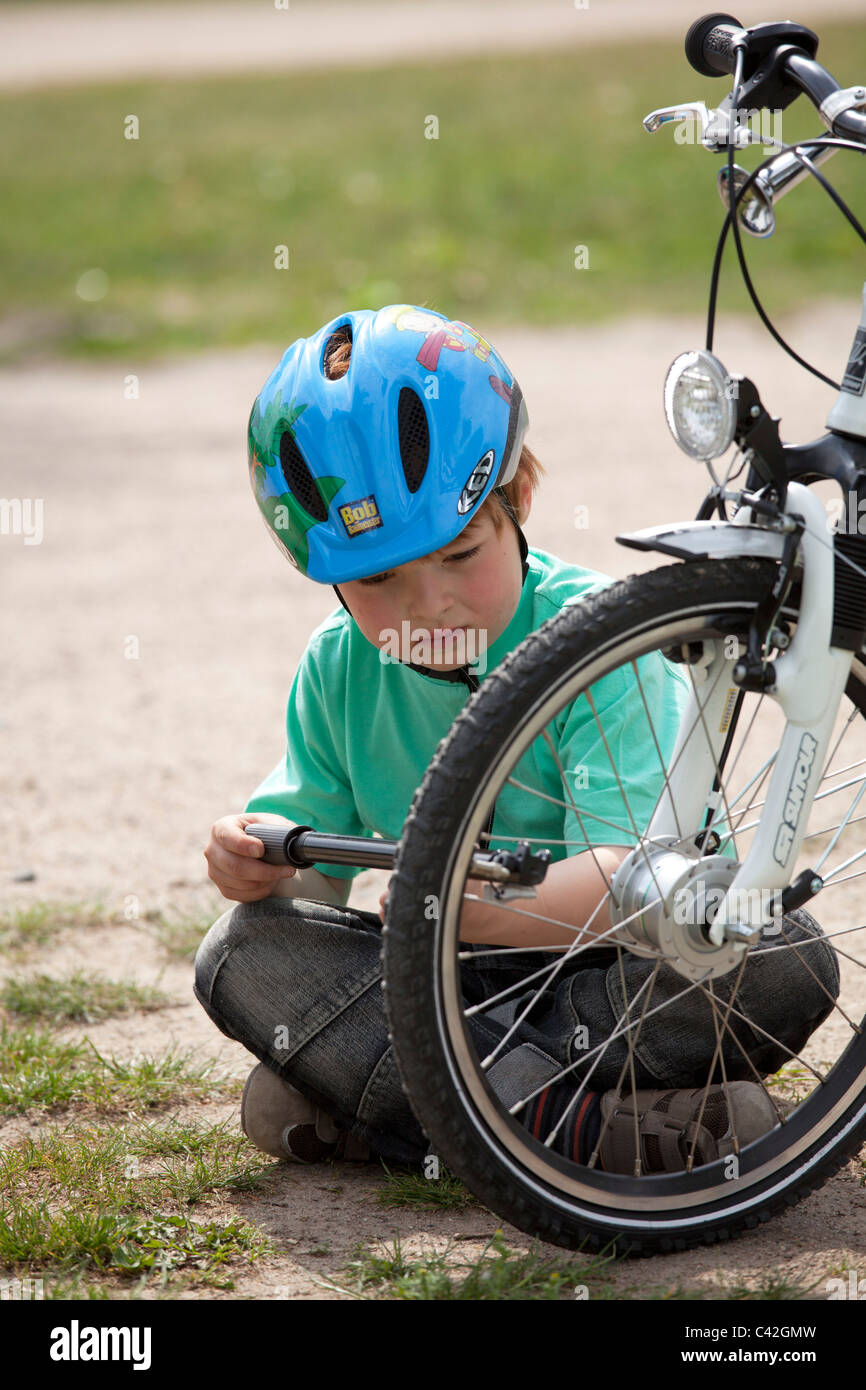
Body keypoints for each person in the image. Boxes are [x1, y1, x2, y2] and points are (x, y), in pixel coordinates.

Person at [194, 304, 839, 1174]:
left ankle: (407, 1112)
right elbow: (312, 873)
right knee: (244, 949)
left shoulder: (600, 642)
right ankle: (585, 1129)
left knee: (782, 959)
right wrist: (257, 863)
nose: (430, 605)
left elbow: (634, 875)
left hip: (612, 982)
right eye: (379, 578)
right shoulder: (338, 667)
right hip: (441, 991)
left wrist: (455, 902)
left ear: (519, 497)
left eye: (459, 554)